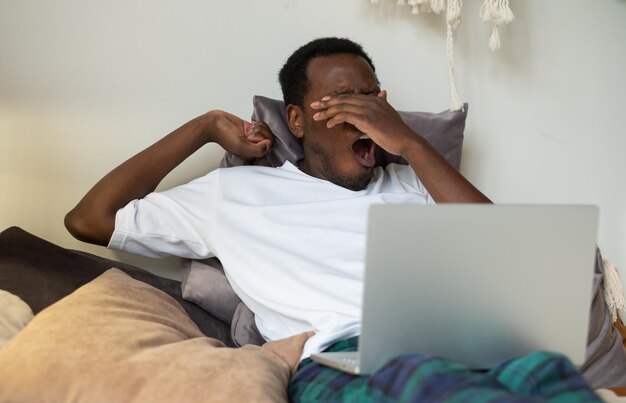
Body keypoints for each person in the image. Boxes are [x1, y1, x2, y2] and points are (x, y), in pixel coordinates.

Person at [65, 37, 490, 359]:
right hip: (345, 360)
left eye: (372, 99)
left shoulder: (416, 181)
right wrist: (205, 126)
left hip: (458, 346)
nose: (365, 116)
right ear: (296, 120)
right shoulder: (235, 194)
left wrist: (410, 143)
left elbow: (499, 248)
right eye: (342, 101)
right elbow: (90, 219)